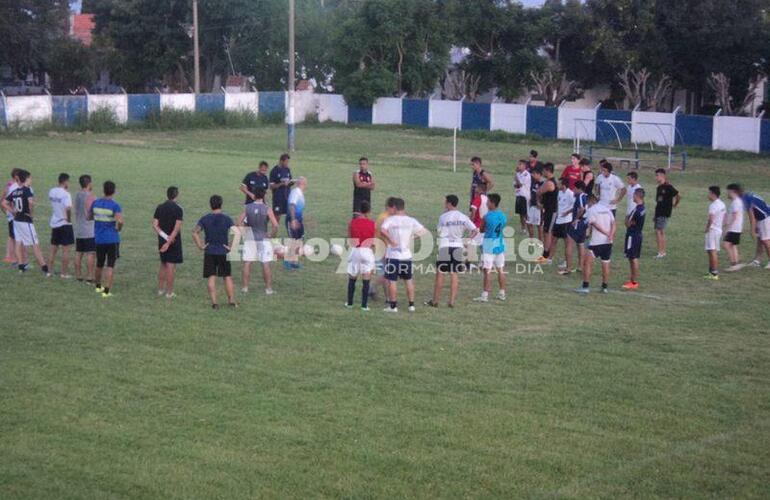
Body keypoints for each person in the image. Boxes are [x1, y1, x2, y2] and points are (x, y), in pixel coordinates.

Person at [425, 195, 477, 308]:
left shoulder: (443, 217)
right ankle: (451, 301)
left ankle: (435, 301)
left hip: (445, 246)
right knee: (454, 274)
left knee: (440, 273)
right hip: (457, 246)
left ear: (449, 203)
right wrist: (467, 240)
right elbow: (474, 230)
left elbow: (439, 232)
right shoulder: (463, 217)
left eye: (445, 202)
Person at [380, 198, 428, 313]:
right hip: (406, 255)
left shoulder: (390, 219)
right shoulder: (411, 220)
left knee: (392, 281)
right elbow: (424, 231)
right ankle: (411, 305)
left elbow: (382, 230)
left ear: (395, 208)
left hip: (393, 255)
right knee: (408, 280)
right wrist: (413, 237)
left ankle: (393, 306)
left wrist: (391, 239)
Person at [192, 195, 237, 309]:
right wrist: (231, 246)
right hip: (223, 251)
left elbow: (195, 232)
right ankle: (231, 301)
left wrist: (201, 246)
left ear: (210, 204)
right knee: (227, 276)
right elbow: (237, 233)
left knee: (211, 276)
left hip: (210, 251)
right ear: (221, 204)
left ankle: (214, 303)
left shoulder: (205, 218)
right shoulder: (227, 218)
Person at [2, 169, 49, 274]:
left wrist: (13, 211)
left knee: (18, 242)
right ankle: (45, 268)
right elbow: (30, 202)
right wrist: (31, 213)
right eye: (30, 178)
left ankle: (21, 267)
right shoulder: (27, 190)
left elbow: (4, 203)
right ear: (26, 179)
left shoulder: (15, 191)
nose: (31, 180)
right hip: (25, 221)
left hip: (16, 221)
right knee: (35, 244)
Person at [239, 187, 278, 295]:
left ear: (254, 195)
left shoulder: (247, 207)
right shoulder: (267, 209)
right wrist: (271, 235)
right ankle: (268, 289)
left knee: (247, 263)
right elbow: (276, 225)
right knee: (265, 264)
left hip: (250, 238)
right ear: (264, 196)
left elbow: (238, 223)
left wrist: (245, 232)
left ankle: (245, 288)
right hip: (263, 238)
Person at [575, 194, 616, 294]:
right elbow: (614, 224)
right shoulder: (607, 210)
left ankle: (585, 287)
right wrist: (610, 235)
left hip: (596, 242)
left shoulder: (591, 210)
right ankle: (604, 287)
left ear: (590, 201)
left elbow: (594, 224)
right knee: (605, 263)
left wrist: (604, 233)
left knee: (587, 263)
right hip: (608, 242)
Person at [90, 181, 123, 297]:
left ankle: (98, 286)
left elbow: (88, 217)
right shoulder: (115, 205)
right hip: (112, 239)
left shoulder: (95, 203)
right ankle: (106, 291)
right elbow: (120, 221)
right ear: (114, 191)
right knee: (110, 265)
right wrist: (119, 228)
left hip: (99, 239)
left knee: (99, 263)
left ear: (103, 190)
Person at [474, 193, 507, 302]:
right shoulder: (503, 216)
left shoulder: (487, 217)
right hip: (499, 243)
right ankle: (502, 293)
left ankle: (484, 295)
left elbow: (482, 229)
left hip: (489, 244)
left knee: (487, 270)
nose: (486, 203)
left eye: (488, 202)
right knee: (500, 269)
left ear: (492, 203)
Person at [152, 186, 184, 298]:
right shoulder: (178, 209)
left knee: (163, 264)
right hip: (173, 242)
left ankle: (160, 290)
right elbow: (176, 228)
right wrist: (169, 241)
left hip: (162, 240)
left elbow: (155, 225)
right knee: (171, 266)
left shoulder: (159, 207)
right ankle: (169, 292)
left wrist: (165, 238)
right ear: (176, 195)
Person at [346, 200, 376, 310]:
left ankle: (350, 303)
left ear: (360, 210)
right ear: (368, 211)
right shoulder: (372, 224)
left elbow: (350, 239)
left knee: (352, 277)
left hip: (355, 250)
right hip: (367, 251)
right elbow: (373, 241)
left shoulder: (352, 222)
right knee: (366, 278)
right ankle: (364, 305)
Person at [46, 173, 75, 278]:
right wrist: (69, 220)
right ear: (65, 181)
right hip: (64, 223)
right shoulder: (66, 194)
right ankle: (64, 273)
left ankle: (49, 271)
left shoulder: (52, 191)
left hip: (55, 222)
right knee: (65, 250)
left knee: (53, 248)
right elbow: (68, 208)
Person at [653, 168, 681, 259]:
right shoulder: (659, 188)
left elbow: (678, 195)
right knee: (661, 231)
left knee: (658, 231)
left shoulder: (668, 187)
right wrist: (655, 214)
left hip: (664, 212)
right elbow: (658, 202)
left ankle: (661, 252)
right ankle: (662, 251)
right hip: (659, 212)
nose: (656, 177)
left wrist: (675, 204)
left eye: (657, 175)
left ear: (662, 176)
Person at [73, 174, 96, 283]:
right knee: (90, 253)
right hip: (89, 230)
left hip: (79, 228)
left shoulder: (77, 195)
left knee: (79, 252)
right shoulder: (90, 197)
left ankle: (78, 275)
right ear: (89, 183)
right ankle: (90, 276)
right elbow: (90, 213)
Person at [622, 189, 646, 290]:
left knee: (633, 258)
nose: (632, 197)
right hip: (638, 234)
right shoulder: (642, 208)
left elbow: (627, 223)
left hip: (632, 235)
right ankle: (632, 280)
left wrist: (627, 217)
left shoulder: (636, 210)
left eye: (633, 195)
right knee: (633, 257)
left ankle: (633, 281)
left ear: (637, 196)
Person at [740, 188, 770, 269]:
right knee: (760, 240)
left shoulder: (746, 199)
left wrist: (752, 230)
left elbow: (752, 217)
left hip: (765, 217)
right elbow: (756, 210)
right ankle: (757, 261)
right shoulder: (748, 195)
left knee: (765, 240)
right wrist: (756, 225)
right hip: (763, 217)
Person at [565, 180, 589, 276]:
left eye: (575, 188)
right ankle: (580, 266)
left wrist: (575, 219)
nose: (573, 190)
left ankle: (568, 268)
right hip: (584, 223)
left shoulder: (580, 196)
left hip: (578, 223)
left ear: (579, 189)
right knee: (581, 244)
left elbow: (582, 209)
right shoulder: (586, 196)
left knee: (569, 243)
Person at [551, 178, 575, 274]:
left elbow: (574, 206)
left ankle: (566, 262)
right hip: (558, 220)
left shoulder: (570, 193)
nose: (557, 186)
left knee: (567, 243)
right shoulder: (559, 193)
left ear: (564, 185)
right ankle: (549, 258)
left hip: (566, 221)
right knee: (554, 239)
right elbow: (558, 205)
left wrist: (567, 212)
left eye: (559, 184)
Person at [535, 163, 558, 264]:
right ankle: (545, 254)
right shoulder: (550, 181)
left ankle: (546, 256)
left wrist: (539, 202)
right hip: (548, 210)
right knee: (546, 232)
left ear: (547, 171)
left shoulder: (549, 183)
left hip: (551, 211)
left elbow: (538, 192)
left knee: (548, 233)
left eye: (543, 171)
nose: (542, 173)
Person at [2, 168, 24, 265]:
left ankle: (9, 256)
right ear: (16, 176)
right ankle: (14, 259)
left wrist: (6, 211)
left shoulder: (10, 185)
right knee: (15, 237)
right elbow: (5, 200)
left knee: (11, 237)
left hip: (10, 215)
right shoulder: (12, 186)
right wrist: (10, 211)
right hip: (13, 216)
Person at [704, 186, 726, 280]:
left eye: (709, 193)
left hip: (713, 230)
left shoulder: (713, 205)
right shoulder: (722, 204)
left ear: (713, 194)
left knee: (712, 251)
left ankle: (714, 273)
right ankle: (711, 271)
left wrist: (707, 228)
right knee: (713, 251)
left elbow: (711, 219)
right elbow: (724, 217)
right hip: (719, 230)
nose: (708, 195)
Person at [285, 176, 307, 270]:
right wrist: (293, 220)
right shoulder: (296, 192)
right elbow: (292, 206)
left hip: (298, 219)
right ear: (302, 183)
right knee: (294, 240)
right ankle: (288, 262)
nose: (306, 183)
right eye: (305, 181)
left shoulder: (299, 192)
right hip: (292, 219)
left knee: (299, 240)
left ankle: (294, 261)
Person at [723, 183, 744, 271]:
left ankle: (733, 264)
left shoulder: (735, 202)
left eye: (728, 192)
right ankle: (736, 263)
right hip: (737, 228)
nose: (727, 193)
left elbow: (734, 217)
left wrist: (727, 228)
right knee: (732, 245)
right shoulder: (738, 201)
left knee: (726, 245)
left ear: (732, 191)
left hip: (733, 228)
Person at [269, 153, 293, 224]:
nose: (287, 163)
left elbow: (290, 181)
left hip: (287, 197)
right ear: (281, 161)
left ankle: (291, 232)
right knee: (277, 216)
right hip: (278, 198)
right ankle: (274, 233)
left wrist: (291, 182)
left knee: (290, 215)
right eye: (286, 162)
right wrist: (282, 184)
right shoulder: (274, 171)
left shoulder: (287, 169)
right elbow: (271, 186)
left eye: (288, 162)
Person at [514, 159, 531, 231]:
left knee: (525, 213)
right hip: (518, 195)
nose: (518, 166)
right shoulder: (518, 174)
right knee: (520, 213)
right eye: (518, 164)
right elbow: (515, 185)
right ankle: (523, 228)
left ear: (524, 166)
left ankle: (529, 228)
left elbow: (520, 184)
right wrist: (516, 180)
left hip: (525, 196)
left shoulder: (527, 174)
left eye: (520, 164)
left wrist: (516, 178)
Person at [527, 167, 544, 241]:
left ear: (539, 174)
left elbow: (544, 195)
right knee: (529, 223)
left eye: (534, 174)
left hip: (539, 208)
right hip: (532, 206)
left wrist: (540, 204)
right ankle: (531, 241)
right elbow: (532, 192)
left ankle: (540, 243)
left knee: (539, 226)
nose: (532, 175)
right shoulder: (533, 182)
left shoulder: (544, 184)